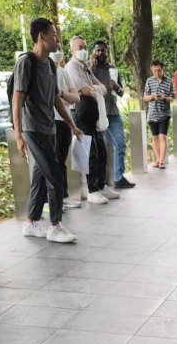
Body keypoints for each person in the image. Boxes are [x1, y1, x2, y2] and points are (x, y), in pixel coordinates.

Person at [14, 18, 83, 243]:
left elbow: (56, 100)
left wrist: (72, 125)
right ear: (41, 37)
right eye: (53, 35)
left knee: (41, 176)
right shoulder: (26, 62)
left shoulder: (51, 66)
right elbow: (17, 100)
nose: (57, 39)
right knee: (55, 175)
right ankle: (55, 226)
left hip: (49, 128)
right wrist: (18, 135)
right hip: (32, 129)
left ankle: (30, 223)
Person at [65, 36, 120, 204]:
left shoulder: (85, 69)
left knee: (101, 150)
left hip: (93, 113)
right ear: (72, 50)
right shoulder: (72, 68)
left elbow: (102, 88)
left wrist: (93, 89)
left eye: (85, 47)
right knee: (90, 152)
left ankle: (101, 185)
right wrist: (93, 89)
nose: (83, 50)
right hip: (81, 113)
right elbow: (86, 91)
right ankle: (92, 190)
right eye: (79, 47)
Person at [90, 40, 135, 188]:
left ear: (107, 52)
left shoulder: (113, 69)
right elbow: (86, 84)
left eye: (103, 50)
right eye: (97, 50)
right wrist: (91, 65)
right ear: (93, 52)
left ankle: (118, 178)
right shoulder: (91, 69)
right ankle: (101, 181)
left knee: (120, 145)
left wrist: (116, 87)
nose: (100, 53)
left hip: (113, 113)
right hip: (98, 115)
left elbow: (121, 92)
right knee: (100, 150)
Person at [46, 42, 81, 211]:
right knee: (49, 163)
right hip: (49, 123)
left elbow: (76, 98)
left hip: (65, 121)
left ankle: (63, 196)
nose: (57, 51)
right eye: (56, 47)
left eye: (60, 48)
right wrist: (64, 97)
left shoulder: (63, 73)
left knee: (61, 161)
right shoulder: (43, 71)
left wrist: (60, 93)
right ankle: (48, 201)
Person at [143, 59, 175, 168]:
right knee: (155, 137)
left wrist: (164, 98)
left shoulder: (168, 81)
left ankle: (161, 161)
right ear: (151, 69)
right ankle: (157, 159)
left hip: (164, 114)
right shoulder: (149, 81)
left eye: (159, 70)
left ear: (163, 69)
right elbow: (145, 97)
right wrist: (152, 96)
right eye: (154, 70)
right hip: (152, 114)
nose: (157, 73)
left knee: (162, 137)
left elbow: (172, 98)